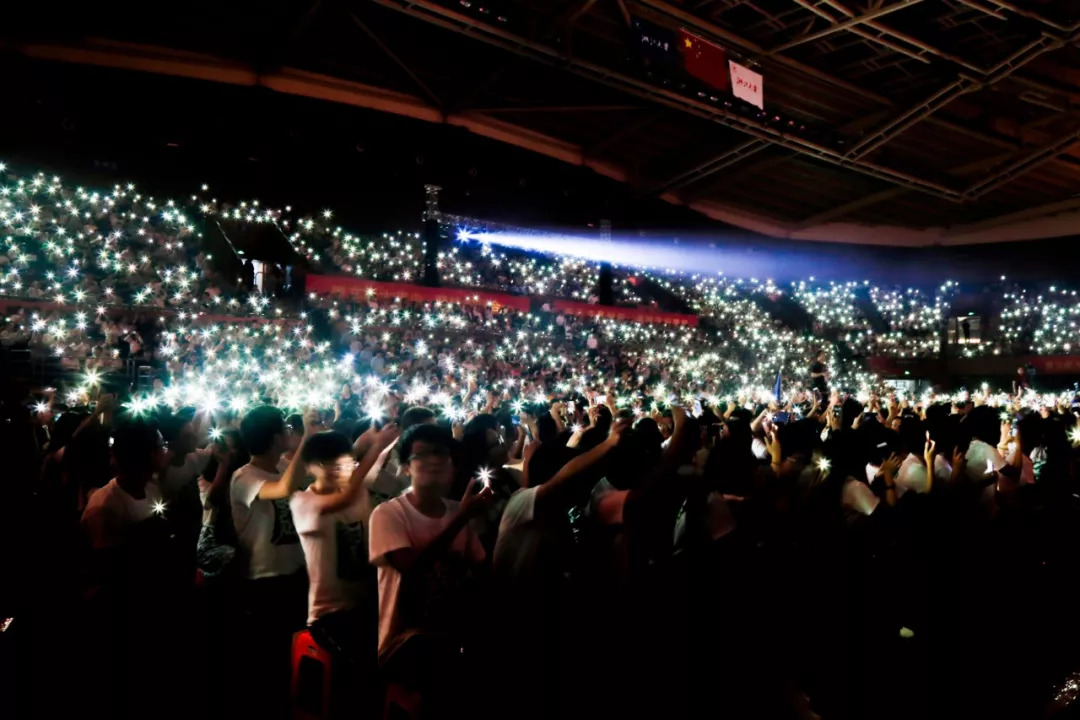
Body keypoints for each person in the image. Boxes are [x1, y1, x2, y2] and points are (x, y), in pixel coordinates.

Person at [368, 423, 490, 681]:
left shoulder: (458, 510)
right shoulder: (388, 514)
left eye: (441, 454)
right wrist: (463, 518)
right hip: (403, 644)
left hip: (452, 635)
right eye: (422, 455)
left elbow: (478, 570)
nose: (434, 461)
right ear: (405, 467)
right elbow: (412, 569)